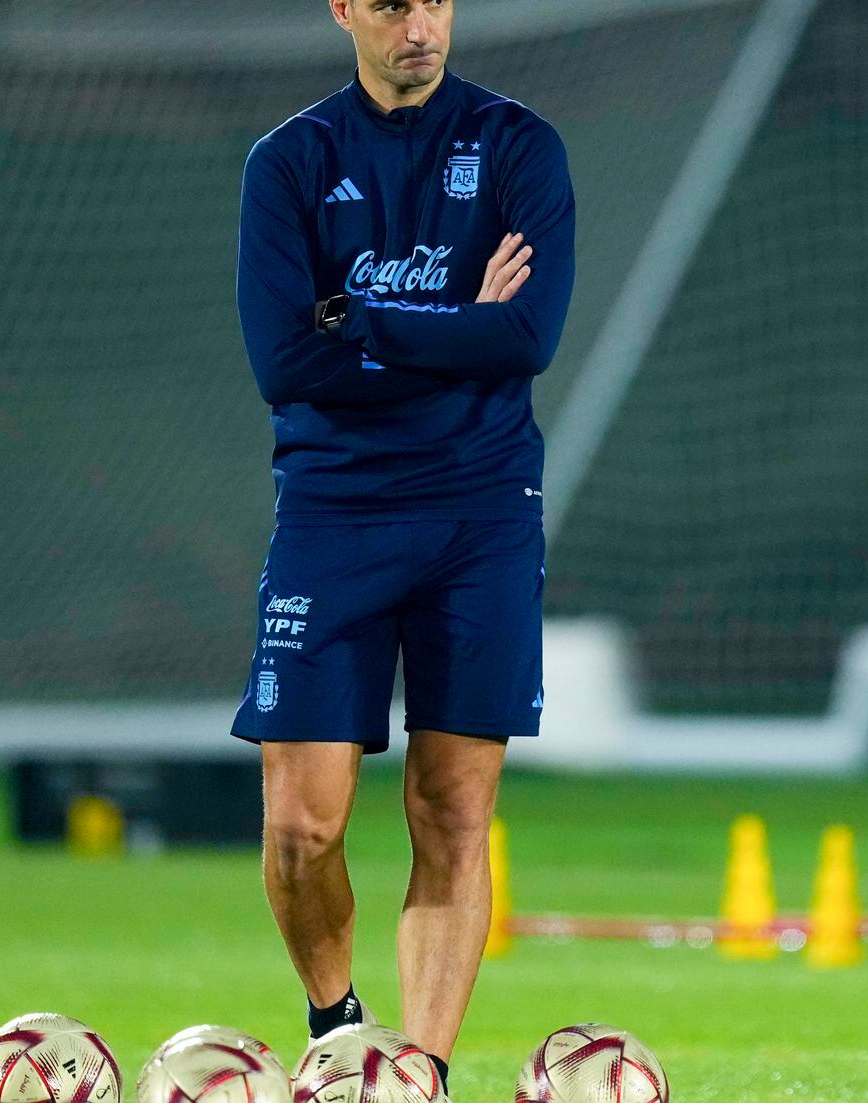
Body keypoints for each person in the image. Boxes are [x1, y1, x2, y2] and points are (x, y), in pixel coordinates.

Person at [229, 0, 577, 1094]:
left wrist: (361, 319)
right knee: (300, 826)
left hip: (480, 512)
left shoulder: (519, 147)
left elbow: (527, 336)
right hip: (334, 512)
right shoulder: (289, 162)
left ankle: (412, 1073)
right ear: (344, 9)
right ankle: (338, 1024)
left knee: (450, 809)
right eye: (388, 2)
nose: (417, 23)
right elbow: (285, 364)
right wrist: (452, 331)